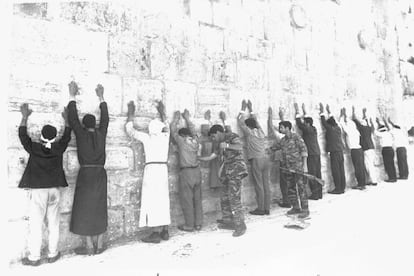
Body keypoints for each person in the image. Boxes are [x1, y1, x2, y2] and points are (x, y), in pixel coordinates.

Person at [19, 103, 71, 266]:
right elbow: (67, 135)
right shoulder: (58, 148)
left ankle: (34, 257)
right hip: (54, 190)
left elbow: (22, 135)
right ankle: (52, 254)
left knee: (36, 224)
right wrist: (67, 120)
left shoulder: (34, 147)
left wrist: (25, 117)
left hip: (38, 191)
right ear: (55, 136)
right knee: (53, 223)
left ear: (41, 134)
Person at [68, 81, 109, 255]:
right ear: (95, 124)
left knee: (83, 207)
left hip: (86, 173)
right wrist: (101, 97)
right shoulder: (102, 133)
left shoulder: (81, 134)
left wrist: (72, 95)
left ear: (84, 125)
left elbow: (72, 118)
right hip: (100, 173)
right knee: (99, 205)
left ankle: (89, 245)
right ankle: (99, 244)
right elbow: (106, 118)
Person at [125, 100, 171, 243]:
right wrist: (162, 111)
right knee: (163, 199)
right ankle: (164, 230)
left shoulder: (147, 138)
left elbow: (130, 131)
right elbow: (167, 126)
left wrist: (131, 114)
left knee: (152, 200)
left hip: (152, 171)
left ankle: (155, 233)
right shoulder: (165, 137)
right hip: (163, 169)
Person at [198, 125, 248, 237]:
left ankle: (240, 225)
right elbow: (212, 156)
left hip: (236, 172)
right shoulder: (218, 143)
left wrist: (228, 145)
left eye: (213, 136)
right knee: (224, 197)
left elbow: (240, 146)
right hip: (226, 174)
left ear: (218, 132)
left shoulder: (231, 136)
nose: (213, 139)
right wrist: (199, 158)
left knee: (234, 198)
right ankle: (228, 221)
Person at [268, 107, 310, 218]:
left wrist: (305, 166)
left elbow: (304, 150)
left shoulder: (296, 137)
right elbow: (274, 147)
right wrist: (266, 151)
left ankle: (305, 210)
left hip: (298, 167)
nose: (280, 129)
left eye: (281, 127)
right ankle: (296, 207)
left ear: (287, 128)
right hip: (287, 168)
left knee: (301, 188)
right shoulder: (283, 140)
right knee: (291, 188)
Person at [170, 109, 203, 231]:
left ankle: (189, 225)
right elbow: (193, 130)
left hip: (186, 173)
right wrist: (187, 118)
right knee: (198, 199)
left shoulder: (182, 141)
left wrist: (176, 118)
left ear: (182, 135)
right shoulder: (195, 140)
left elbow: (172, 131)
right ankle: (198, 223)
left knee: (187, 200)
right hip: (197, 172)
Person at [237, 100, 270, 215]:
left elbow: (240, 121)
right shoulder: (261, 131)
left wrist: (242, 108)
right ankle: (267, 208)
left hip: (257, 160)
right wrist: (251, 109)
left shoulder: (249, 133)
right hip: (265, 159)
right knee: (266, 184)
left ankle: (260, 208)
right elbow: (256, 121)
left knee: (259, 185)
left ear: (248, 126)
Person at [294, 103, 322, 199]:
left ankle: (315, 194)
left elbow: (299, 123)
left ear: (308, 123)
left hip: (311, 153)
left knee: (312, 173)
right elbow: (306, 122)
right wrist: (305, 111)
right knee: (318, 173)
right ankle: (319, 193)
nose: (304, 123)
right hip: (317, 152)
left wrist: (297, 111)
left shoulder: (307, 129)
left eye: (305, 122)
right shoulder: (314, 128)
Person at [320, 103, 346, 194]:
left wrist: (322, 111)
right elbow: (333, 120)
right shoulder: (338, 128)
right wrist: (329, 111)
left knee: (336, 170)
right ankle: (342, 187)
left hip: (334, 152)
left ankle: (338, 188)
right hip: (340, 151)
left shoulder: (330, 129)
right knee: (341, 169)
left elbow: (323, 122)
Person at [268, 107, 290, 208]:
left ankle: (286, 201)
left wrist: (270, 115)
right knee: (290, 182)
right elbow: (284, 126)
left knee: (284, 182)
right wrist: (281, 117)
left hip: (283, 163)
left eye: (281, 128)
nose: (280, 129)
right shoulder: (291, 135)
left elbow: (271, 127)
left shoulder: (280, 138)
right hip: (291, 162)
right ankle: (291, 200)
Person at [339, 108, 366, 190]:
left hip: (355, 150)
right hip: (359, 149)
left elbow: (342, 124)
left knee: (358, 168)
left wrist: (342, 115)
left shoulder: (350, 131)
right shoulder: (356, 131)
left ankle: (360, 184)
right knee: (361, 167)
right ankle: (362, 183)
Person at [352, 107, 378, 186]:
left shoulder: (362, 129)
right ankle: (373, 179)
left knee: (368, 165)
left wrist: (353, 111)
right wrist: (364, 113)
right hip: (371, 147)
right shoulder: (368, 128)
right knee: (370, 165)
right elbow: (366, 120)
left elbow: (355, 120)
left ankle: (373, 181)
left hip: (366, 148)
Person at [374, 117, 397, 182]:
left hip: (386, 150)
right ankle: (393, 177)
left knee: (388, 164)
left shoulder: (382, 134)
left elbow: (375, 132)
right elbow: (388, 128)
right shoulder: (389, 133)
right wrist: (381, 122)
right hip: (390, 149)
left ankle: (391, 178)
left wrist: (375, 124)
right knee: (391, 164)